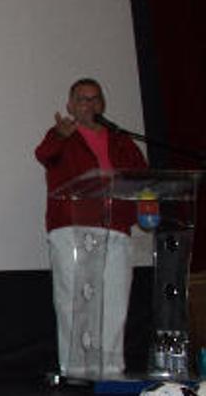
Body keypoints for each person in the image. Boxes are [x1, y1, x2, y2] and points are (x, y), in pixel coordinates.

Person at [35, 78, 147, 377]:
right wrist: (59, 136)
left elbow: (142, 181)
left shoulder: (121, 140)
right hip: (72, 226)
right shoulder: (62, 135)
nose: (89, 104)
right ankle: (76, 368)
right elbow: (44, 155)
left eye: (95, 99)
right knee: (73, 300)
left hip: (115, 226)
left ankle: (111, 368)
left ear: (103, 104)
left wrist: (146, 209)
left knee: (114, 300)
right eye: (82, 99)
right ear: (70, 105)